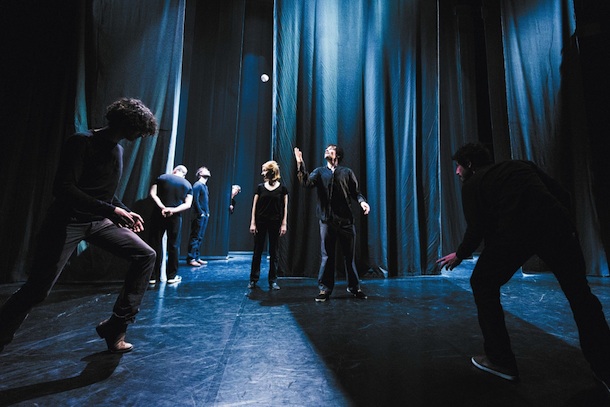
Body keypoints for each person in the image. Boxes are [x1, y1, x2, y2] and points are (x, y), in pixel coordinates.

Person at [437, 142, 610, 389]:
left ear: (470, 165)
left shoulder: (473, 184)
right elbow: (563, 194)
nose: (456, 172)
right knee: (580, 295)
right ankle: (605, 368)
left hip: (514, 234)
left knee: (482, 283)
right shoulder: (521, 166)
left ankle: (500, 360)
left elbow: (477, 229)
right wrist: (563, 224)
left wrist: (460, 255)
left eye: (458, 166)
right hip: (557, 227)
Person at [0, 97, 158, 354]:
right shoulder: (82, 142)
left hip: (98, 221)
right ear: (128, 123)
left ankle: (116, 327)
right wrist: (112, 211)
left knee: (145, 255)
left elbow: (105, 194)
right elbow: (64, 189)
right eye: (140, 130)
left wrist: (125, 211)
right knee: (38, 290)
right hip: (67, 221)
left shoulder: (117, 150)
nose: (141, 136)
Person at [294, 145, 370, 302]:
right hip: (327, 221)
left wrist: (362, 202)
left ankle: (354, 287)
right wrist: (300, 162)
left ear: (338, 155)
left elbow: (356, 192)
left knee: (349, 256)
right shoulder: (319, 172)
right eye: (326, 149)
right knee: (327, 256)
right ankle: (325, 289)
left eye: (331, 149)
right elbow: (306, 183)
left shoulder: (347, 172)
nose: (327, 151)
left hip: (346, 221)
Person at [149, 165, 192, 285]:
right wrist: (172, 210)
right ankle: (171, 277)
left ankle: (152, 276)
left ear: (174, 171)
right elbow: (188, 204)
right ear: (183, 174)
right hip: (175, 217)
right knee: (174, 245)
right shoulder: (187, 184)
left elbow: (152, 194)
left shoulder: (162, 178)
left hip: (158, 214)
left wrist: (163, 207)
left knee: (155, 243)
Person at [248, 161, 288, 290]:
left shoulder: (282, 189)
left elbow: (285, 207)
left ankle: (273, 280)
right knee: (257, 251)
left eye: (265, 170)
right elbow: (254, 206)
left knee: (274, 252)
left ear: (272, 172)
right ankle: (253, 279)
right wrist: (253, 222)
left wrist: (284, 223)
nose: (262, 173)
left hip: (275, 222)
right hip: (261, 222)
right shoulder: (260, 188)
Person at [187, 166, 211, 267]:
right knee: (195, 236)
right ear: (200, 173)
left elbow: (205, 201)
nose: (208, 171)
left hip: (204, 215)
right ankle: (191, 258)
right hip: (199, 215)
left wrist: (207, 212)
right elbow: (195, 200)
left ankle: (196, 257)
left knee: (200, 237)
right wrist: (200, 212)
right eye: (206, 170)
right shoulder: (197, 185)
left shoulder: (205, 187)